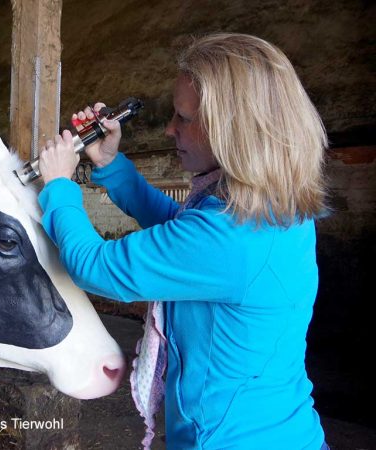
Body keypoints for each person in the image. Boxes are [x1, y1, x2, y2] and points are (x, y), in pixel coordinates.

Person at [37, 33, 329, 450]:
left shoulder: (228, 239)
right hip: (285, 430)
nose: (170, 129)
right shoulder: (272, 209)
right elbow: (184, 234)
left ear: (235, 130)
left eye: (184, 118)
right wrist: (111, 165)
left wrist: (60, 187)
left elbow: (95, 266)